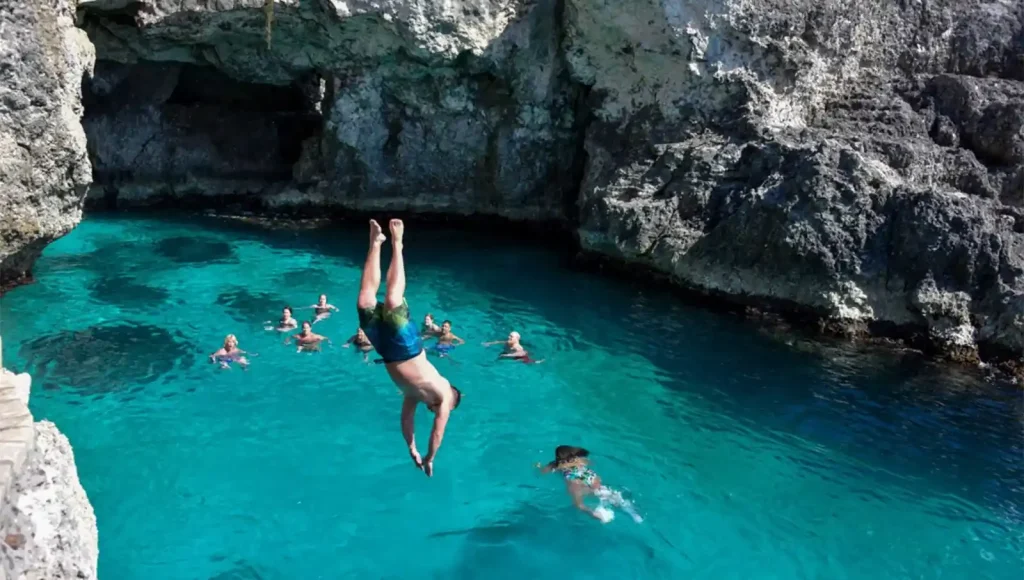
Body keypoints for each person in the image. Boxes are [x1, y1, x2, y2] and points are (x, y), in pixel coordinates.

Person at [357, 219, 461, 477]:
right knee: (392, 300)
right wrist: (431, 457)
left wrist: (412, 449)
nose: (435, 410)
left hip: (385, 350)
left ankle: (376, 243)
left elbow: (406, 421)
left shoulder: (413, 395)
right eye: (438, 410)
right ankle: (398, 244)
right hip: (408, 348)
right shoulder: (445, 396)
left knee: (365, 302)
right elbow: (438, 431)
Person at [536, 446, 642, 524]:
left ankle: (599, 513)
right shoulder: (580, 462)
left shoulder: (555, 465)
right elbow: (590, 463)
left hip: (581, 483)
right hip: (592, 481)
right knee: (611, 495)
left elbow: (542, 471)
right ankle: (632, 513)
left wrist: (538, 466)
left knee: (583, 502)